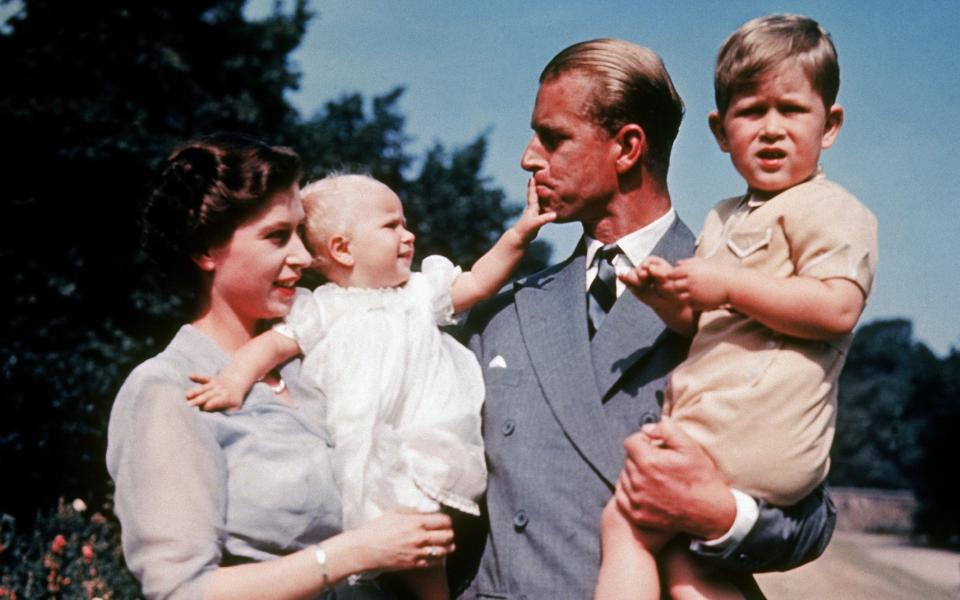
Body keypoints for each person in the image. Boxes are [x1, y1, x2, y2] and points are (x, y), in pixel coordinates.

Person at [457, 38, 837, 599]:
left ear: (628, 146)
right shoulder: (503, 312)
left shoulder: (748, 301)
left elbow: (810, 519)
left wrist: (716, 514)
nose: (528, 158)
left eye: (553, 137)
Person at [596, 15, 878, 600]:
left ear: (831, 124)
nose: (771, 130)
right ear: (721, 131)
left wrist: (725, 283)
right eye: (752, 112)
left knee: (624, 521)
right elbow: (705, 325)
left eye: (792, 110)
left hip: (761, 431)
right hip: (719, 423)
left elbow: (837, 309)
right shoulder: (726, 215)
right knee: (689, 566)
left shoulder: (832, 210)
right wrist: (668, 299)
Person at [106, 134, 457, 600]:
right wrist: (357, 552)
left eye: (299, 231)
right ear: (206, 251)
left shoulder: (320, 359)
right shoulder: (167, 390)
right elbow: (181, 590)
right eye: (276, 236)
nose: (303, 256)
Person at [183, 173, 554, 599]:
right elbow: (268, 348)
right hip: (359, 451)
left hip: (423, 447)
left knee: (425, 547)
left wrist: (520, 233)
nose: (408, 235)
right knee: (377, 549)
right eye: (391, 225)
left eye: (405, 223)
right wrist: (232, 381)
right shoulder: (323, 309)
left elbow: (477, 281)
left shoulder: (418, 292)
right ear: (342, 248)